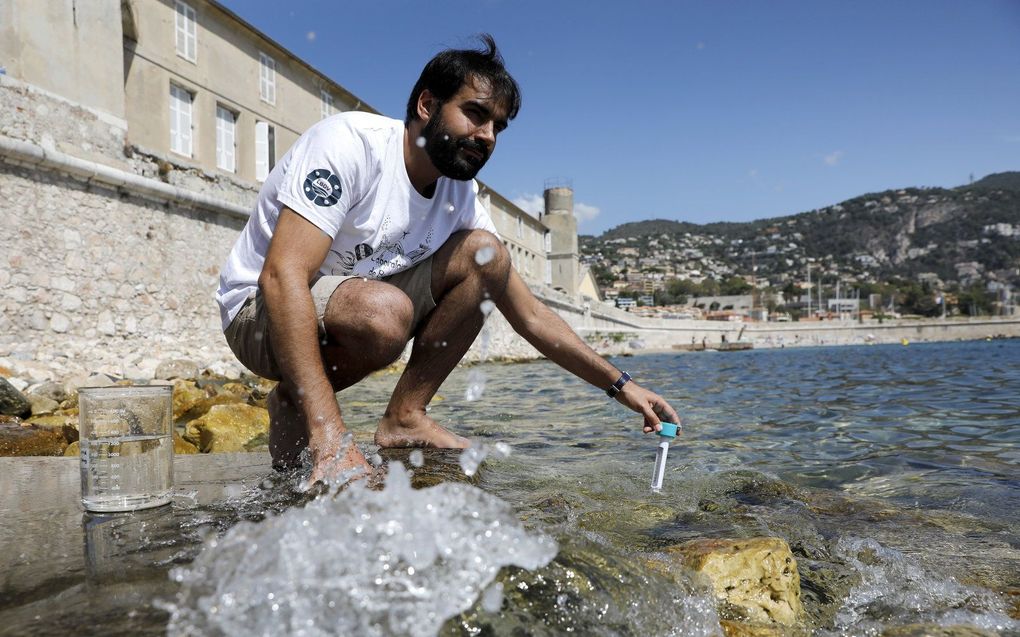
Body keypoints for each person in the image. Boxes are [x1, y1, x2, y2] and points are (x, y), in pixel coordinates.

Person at [216, 35, 680, 483]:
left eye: (498, 126)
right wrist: (329, 435)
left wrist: (622, 385)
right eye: (476, 115)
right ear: (427, 105)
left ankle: (405, 416)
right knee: (385, 313)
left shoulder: (461, 197)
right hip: (256, 311)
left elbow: (532, 315)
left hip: (354, 306)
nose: (488, 136)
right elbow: (282, 276)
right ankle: (303, 407)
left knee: (489, 258)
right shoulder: (350, 145)